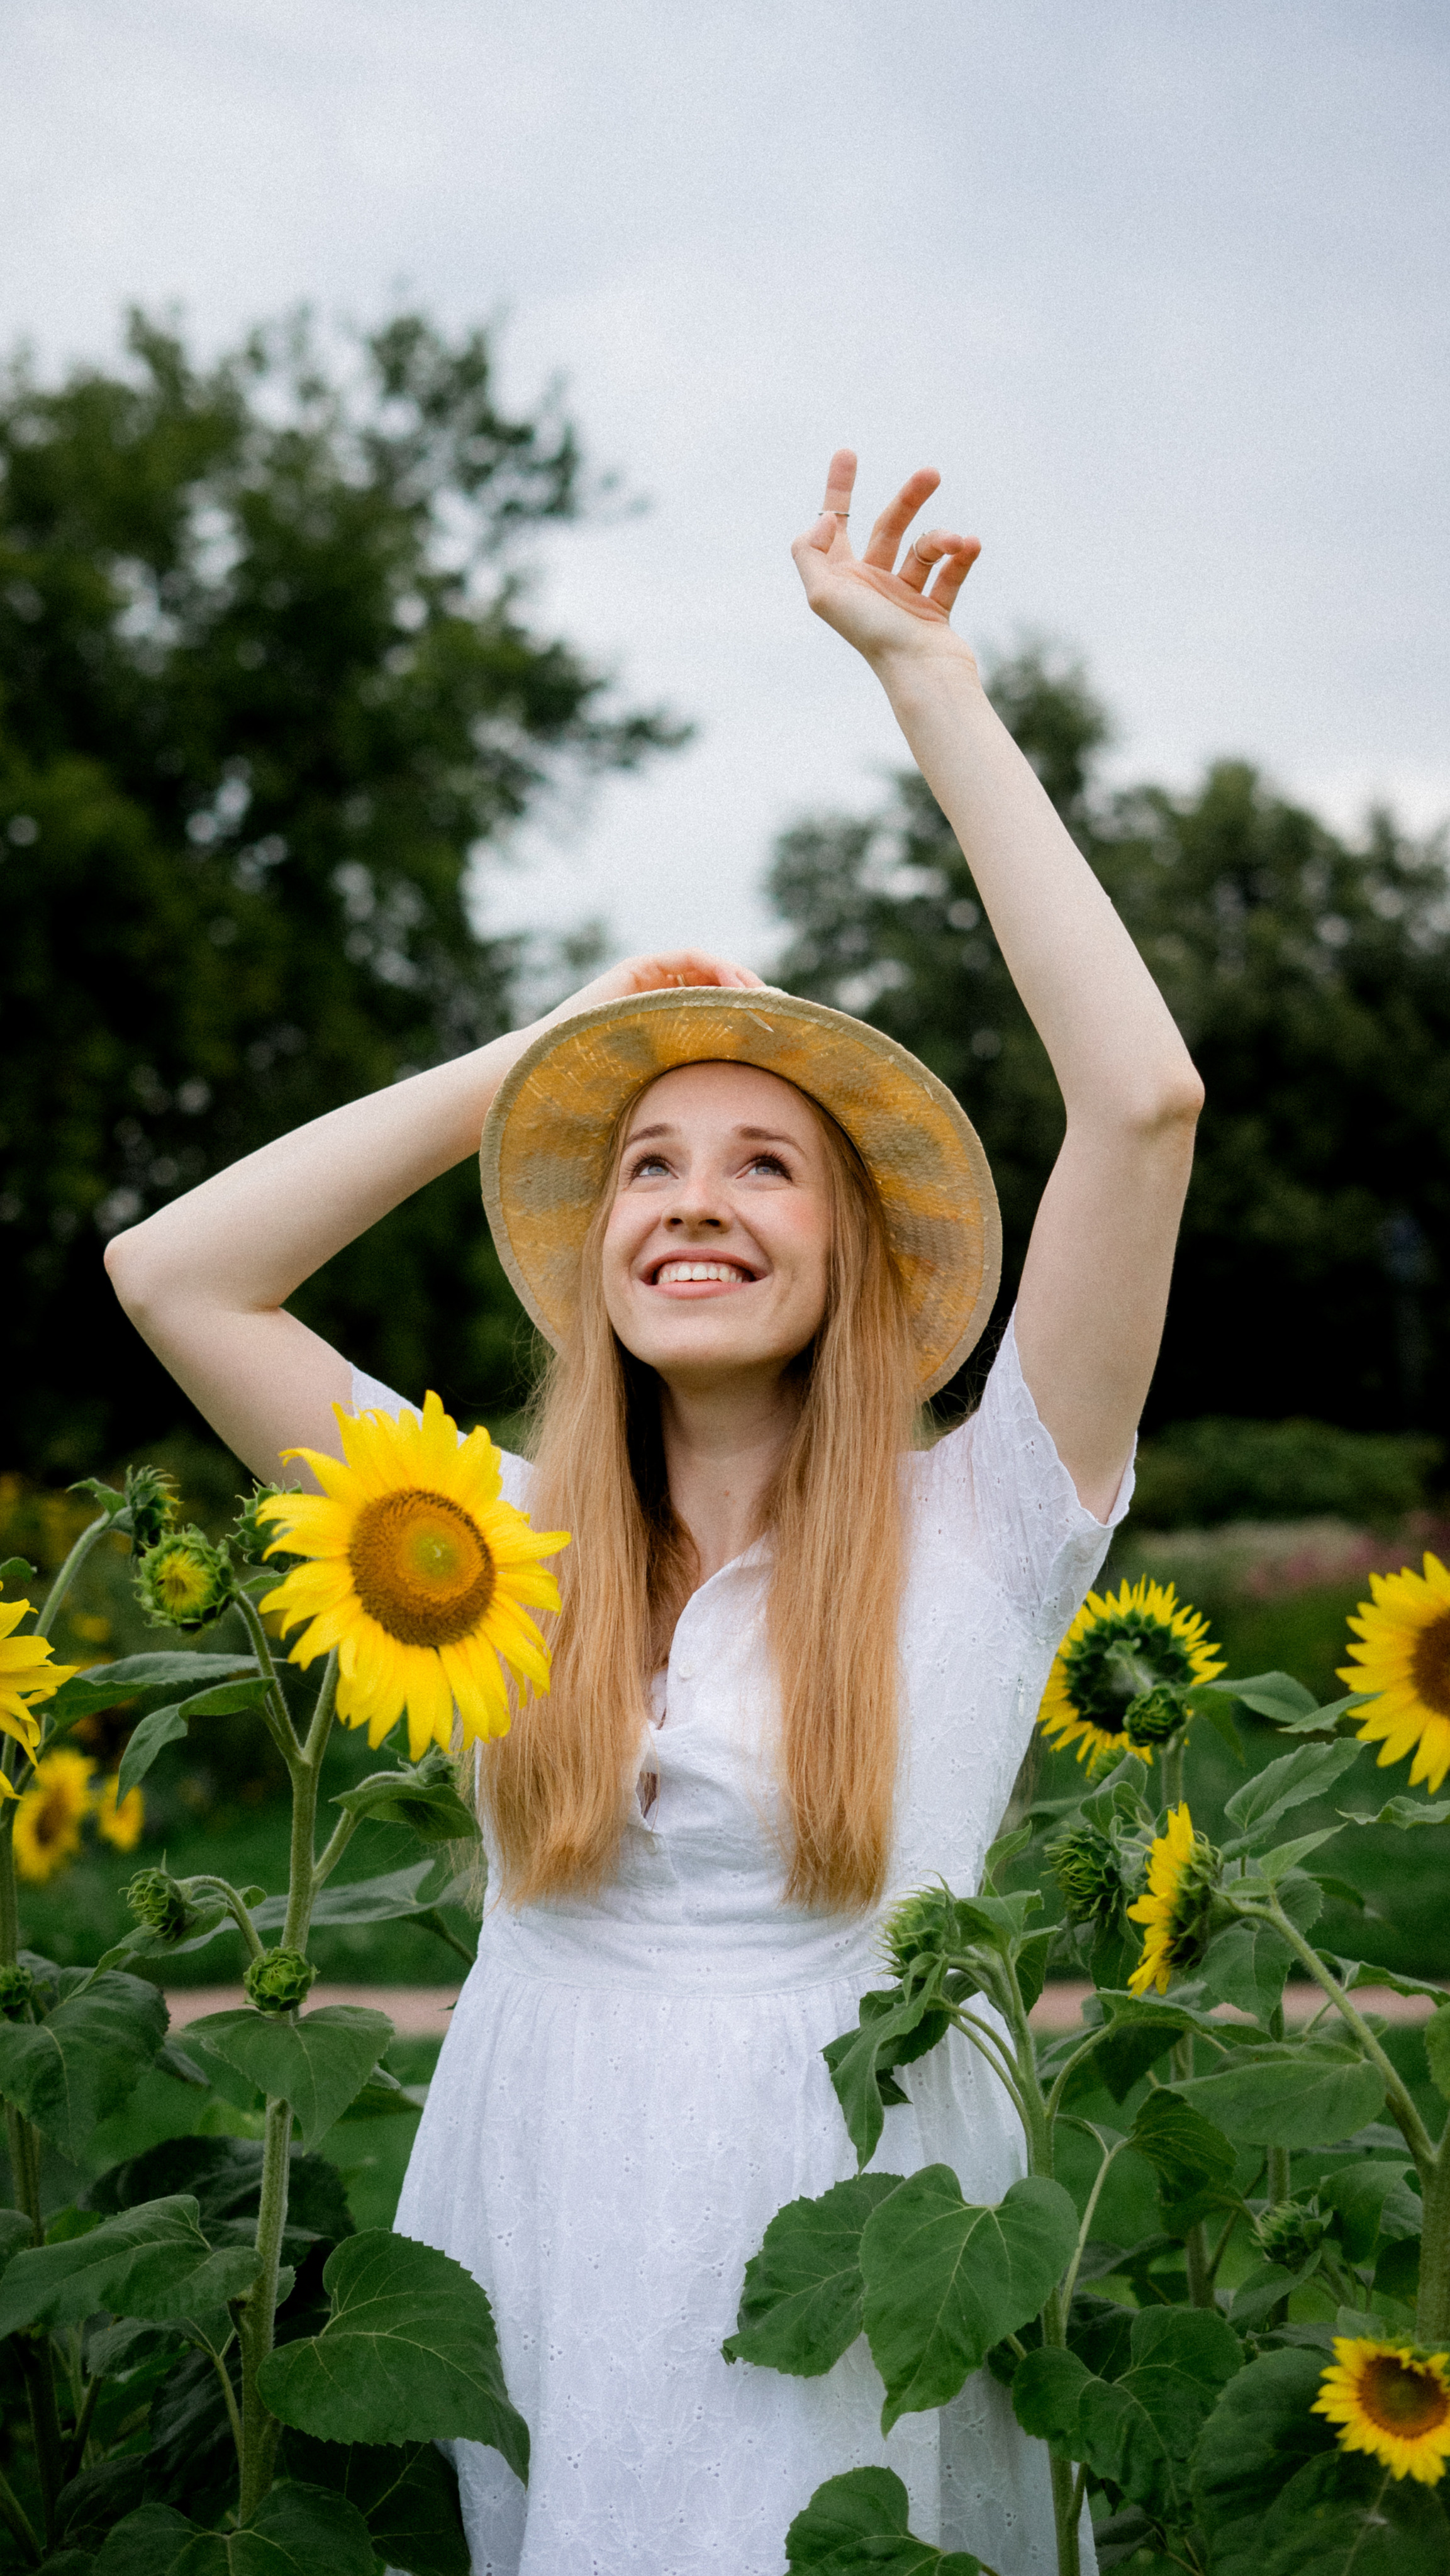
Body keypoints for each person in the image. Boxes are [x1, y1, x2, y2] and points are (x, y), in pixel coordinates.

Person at [105, 452, 1203, 2576]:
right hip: (548, 2202)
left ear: (859, 1252)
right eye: (645, 1164)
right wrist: (555, 1048)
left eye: (764, 1163)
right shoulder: (479, 1545)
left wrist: (928, 685)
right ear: (602, 1245)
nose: (694, 1198)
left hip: (857, 2226)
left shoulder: (986, 1515)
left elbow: (1142, 1103)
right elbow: (179, 1275)